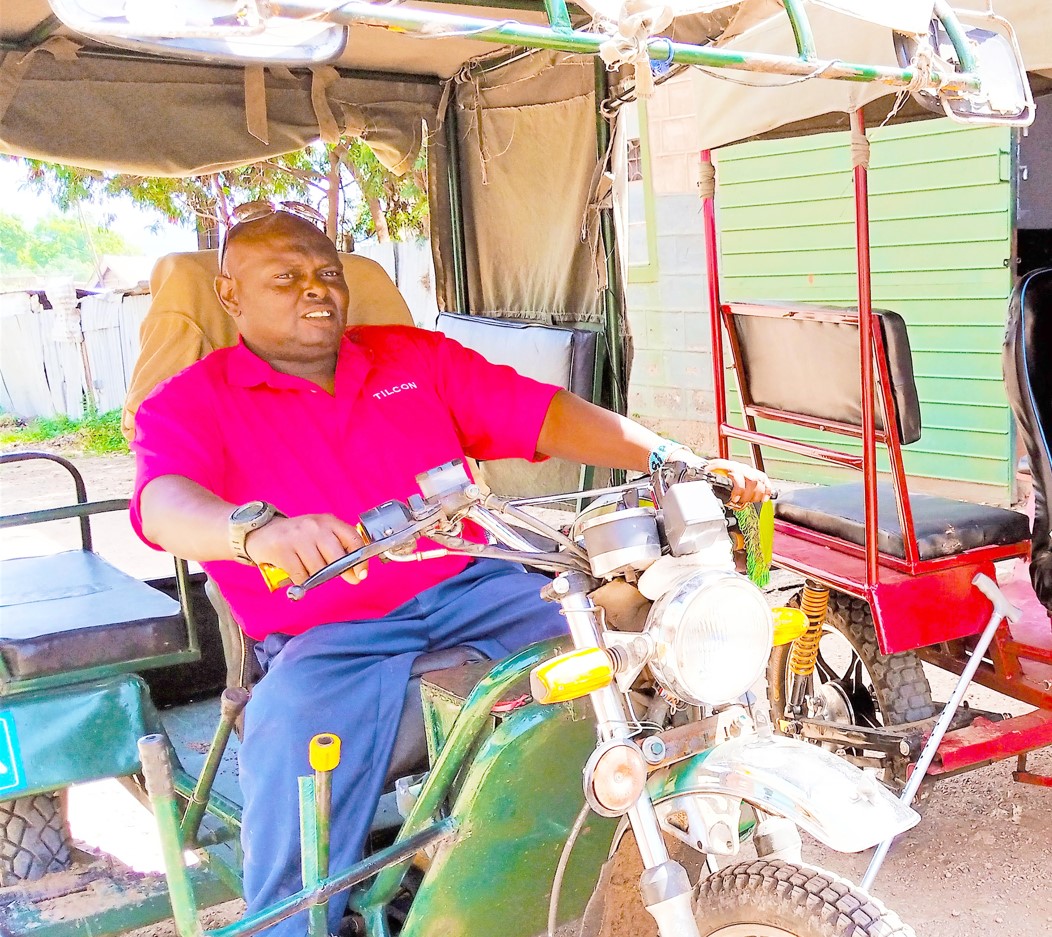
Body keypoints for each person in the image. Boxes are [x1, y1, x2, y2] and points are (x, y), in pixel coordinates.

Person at [130, 208, 771, 936]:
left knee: (634, 652)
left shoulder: (411, 358)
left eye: (328, 274)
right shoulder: (190, 401)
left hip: (475, 585)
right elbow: (161, 504)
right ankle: (286, 924)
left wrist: (667, 457)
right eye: (287, 278)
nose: (316, 290)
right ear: (230, 295)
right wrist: (253, 531)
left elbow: (545, 413)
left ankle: (624, 848)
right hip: (330, 630)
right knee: (286, 741)